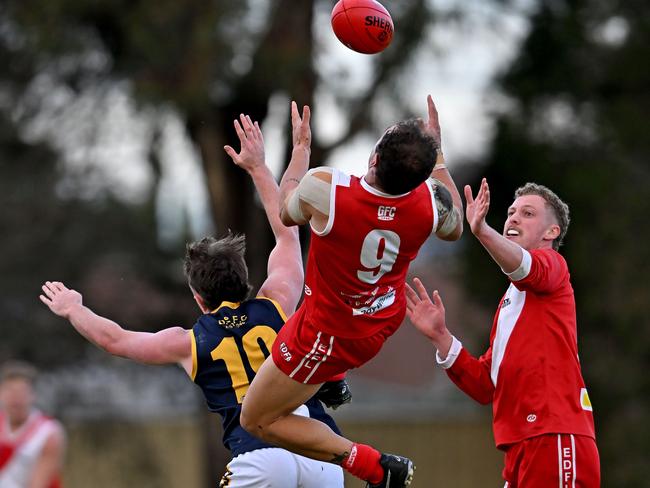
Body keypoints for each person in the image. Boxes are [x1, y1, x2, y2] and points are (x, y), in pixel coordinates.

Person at [39, 115, 345, 488]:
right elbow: (286, 235)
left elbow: (114, 340)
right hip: (320, 450)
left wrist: (74, 308)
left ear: (198, 297)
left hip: (259, 453)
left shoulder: (188, 343)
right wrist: (258, 167)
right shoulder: (276, 302)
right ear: (245, 281)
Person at [239, 96, 464, 488]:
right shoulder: (431, 203)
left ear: (374, 158)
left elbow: (286, 211)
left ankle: (374, 466)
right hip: (380, 318)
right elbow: (456, 225)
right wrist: (439, 157)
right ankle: (332, 377)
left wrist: (301, 151)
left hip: (327, 334)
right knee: (302, 310)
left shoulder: (327, 189)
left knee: (256, 419)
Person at [406, 179, 600, 487]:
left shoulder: (553, 266)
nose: (513, 218)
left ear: (551, 232)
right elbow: (486, 385)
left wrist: (482, 231)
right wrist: (440, 336)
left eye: (527, 213)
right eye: (511, 212)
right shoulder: (511, 301)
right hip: (518, 445)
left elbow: (527, 269)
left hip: (554, 434)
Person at [0, 361, 65, 488]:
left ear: (32, 395)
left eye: (21, 392)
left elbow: (39, 483)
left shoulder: (48, 432)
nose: (15, 398)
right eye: (10, 391)